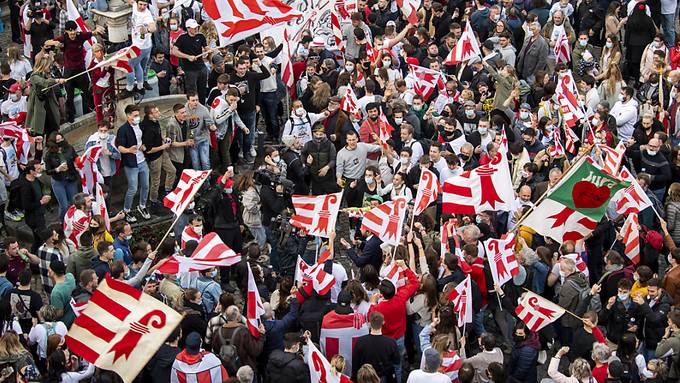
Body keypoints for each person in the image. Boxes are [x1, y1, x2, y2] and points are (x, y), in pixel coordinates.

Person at [53, 20, 99, 122]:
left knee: (87, 91)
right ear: (66, 32)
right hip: (69, 71)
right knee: (69, 95)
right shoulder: (63, 39)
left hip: (80, 70)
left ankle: (95, 108)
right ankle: (71, 115)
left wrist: (97, 30)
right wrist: (54, 43)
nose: (72, 34)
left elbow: (93, 32)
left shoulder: (81, 36)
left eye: (74, 31)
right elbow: (48, 42)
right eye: (70, 32)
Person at [117, 104, 151, 223]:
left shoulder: (139, 126)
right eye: (135, 115)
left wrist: (142, 146)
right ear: (128, 116)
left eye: (138, 115)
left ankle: (142, 206)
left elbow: (140, 140)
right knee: (132, 188)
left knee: (146, 185)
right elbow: (120, 147)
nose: (137, 117)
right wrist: (128, 150)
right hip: (131, 163)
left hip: (142, 160)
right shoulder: (123, 129)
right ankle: (127, 210)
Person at [141, 104, 175, 208]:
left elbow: (159, 135)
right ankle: (153, 201)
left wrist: (163, 139)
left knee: (172, 170)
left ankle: (167, 190)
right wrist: (163, 146)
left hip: (162, 152)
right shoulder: (147, 129)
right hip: (154, 157)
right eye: (156, 112)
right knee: (155, 180)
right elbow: (149, 150)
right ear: (150, 115)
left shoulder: (155, 122)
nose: (159, 113)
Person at [352, 311, 400, 383]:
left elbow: (355, 364)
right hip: (384, 377)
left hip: (365, 378)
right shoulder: (391, 342)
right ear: (383, 322)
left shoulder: (360, 341)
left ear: (370, 323)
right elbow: (397, 361)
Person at [26, 53, 65, 137]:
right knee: (39, 134)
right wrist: (56, 80)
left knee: (53, 130)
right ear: (43, 66)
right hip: (39, 108)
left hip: (49, 106)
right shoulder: (34, 76)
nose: (50, 68)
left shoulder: (47, 75)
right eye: (48, 66)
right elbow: (43, 82)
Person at [123, 0, 156, 98]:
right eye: (140, 4)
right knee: (137, 65)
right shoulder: (134, 6)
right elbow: (130, 1)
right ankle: (140, 86)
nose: (142, 7)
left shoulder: (147, 15)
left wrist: (147, 30)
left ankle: (129, 88)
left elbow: (153, 27)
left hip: (141, 47)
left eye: (145, 5)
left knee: (129, 66)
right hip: (142, 45)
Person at [171, 18, 208, 102]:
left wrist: (208, 50)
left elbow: (206, 47)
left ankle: (202, 105)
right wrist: (187, 56)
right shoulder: (182, 38)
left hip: (201, 67)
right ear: (188, 28)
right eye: (194, 28)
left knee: (202, 89)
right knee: (192, 91)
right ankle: (192, 106)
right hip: (190, 70)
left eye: (196, 27)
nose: (196, 29)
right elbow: (174, 51)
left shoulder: (200, 36)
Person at [185, 92, 216, 170]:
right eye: (193, 100)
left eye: (197, 100)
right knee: (195, 163)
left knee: (205, 162)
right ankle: (198, 181)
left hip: (203, 139)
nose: (196, 102)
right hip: (192, 141)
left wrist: (211, 126)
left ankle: (207, 180)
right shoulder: (184, 110)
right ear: (188, 101)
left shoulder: (203, 109)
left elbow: (209, 122)